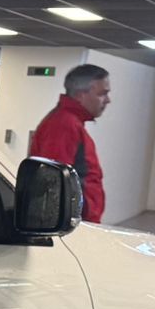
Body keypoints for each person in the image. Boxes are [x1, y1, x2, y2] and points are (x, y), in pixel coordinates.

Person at [30, 64, 110, 223]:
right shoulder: (64, 125)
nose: (108, 100)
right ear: (81, 95)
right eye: (102, 94)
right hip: (73, 224)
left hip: (78, 221)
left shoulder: (72, 123)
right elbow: (54, 183)